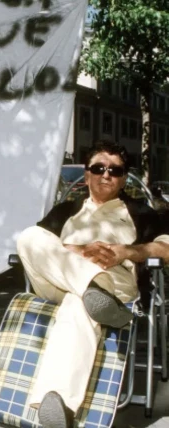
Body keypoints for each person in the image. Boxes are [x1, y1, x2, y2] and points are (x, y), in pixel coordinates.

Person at [16, 141, 169, 428]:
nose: (106, 174)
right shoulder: (65, 211)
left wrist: (127, 252)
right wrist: (79, 251)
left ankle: (58, 407)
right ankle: (95, 293)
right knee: (28, 237)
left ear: (123, 178)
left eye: (115, 170)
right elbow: (41, 247)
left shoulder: (141, 213)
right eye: (98, 168)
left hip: (113, 280)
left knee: (79, 303)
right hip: (59, 279)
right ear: (86, 175)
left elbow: (166, 249)